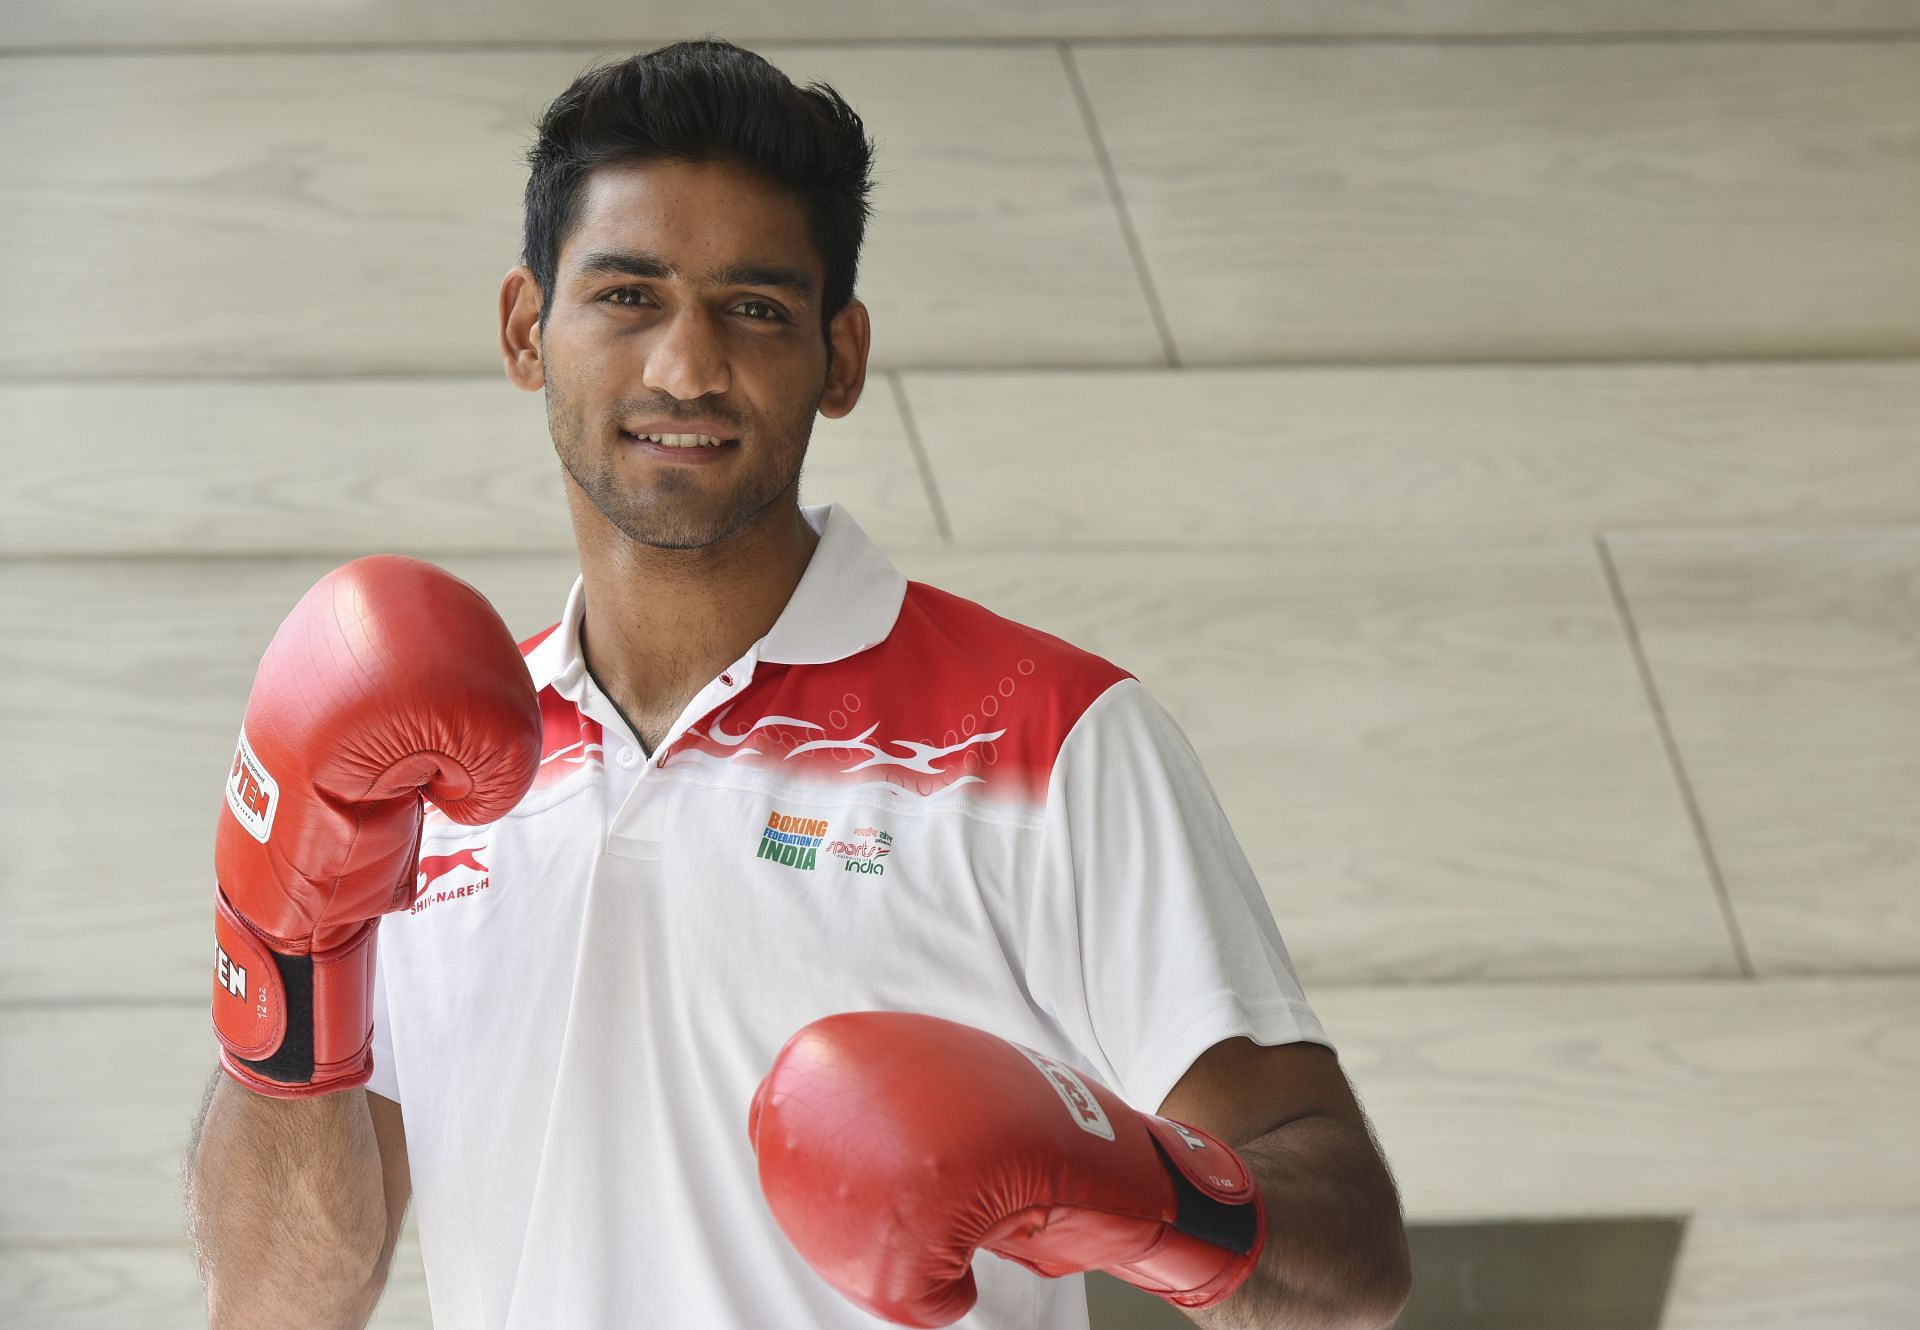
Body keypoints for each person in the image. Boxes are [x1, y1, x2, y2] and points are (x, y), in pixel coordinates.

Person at [187, 37, 1411, 1329]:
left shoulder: (1047, 740)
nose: (685, 367)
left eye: (756, 307)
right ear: (523, 328)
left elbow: (1351, 1275)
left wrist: (1123, 1185)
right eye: (626, 296)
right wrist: (283, 958)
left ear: (841, 356)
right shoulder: (431, 780)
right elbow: (282, 1301)